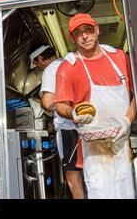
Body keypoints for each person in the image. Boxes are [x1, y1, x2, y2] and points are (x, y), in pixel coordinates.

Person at [54, 13, 136, 199]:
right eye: (78, 33)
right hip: (94, 150)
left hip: (122, 143)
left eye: (88, 30)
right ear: (72, 38)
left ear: (97, 30)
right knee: (102, 193)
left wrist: (127, 120)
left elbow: (136, 96)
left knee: (127, 192)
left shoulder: (120, 58)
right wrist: (73, 113)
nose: (85, 36)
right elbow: (60, 105)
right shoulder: (68, 67)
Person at [29, 44, 85, 199]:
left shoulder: (51, 69)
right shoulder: (70, 63)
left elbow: (47, 103)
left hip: (69, 129)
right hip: (86, 126)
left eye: (37, 63)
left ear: (40, 58)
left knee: (73, 174)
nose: (38, 67)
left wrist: (41, 104)